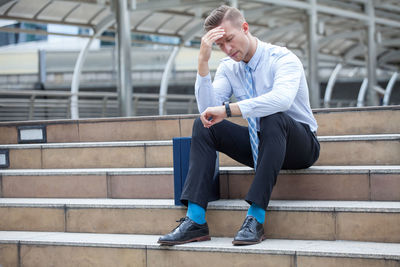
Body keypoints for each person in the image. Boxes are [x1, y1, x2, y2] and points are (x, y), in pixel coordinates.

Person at [158, 5, 320, 246]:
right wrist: (203, 63)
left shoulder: (283, 58)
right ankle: (195, 221)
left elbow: (281, 99)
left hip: (299, 145)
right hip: (261, 146)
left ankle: (255, 217)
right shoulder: (228, 67)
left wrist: (227, 110)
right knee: (203, 126)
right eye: (220, 45)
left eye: (230, 40)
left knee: (273, 116)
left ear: (245, 28)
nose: (227, 49)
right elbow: (208, 113)